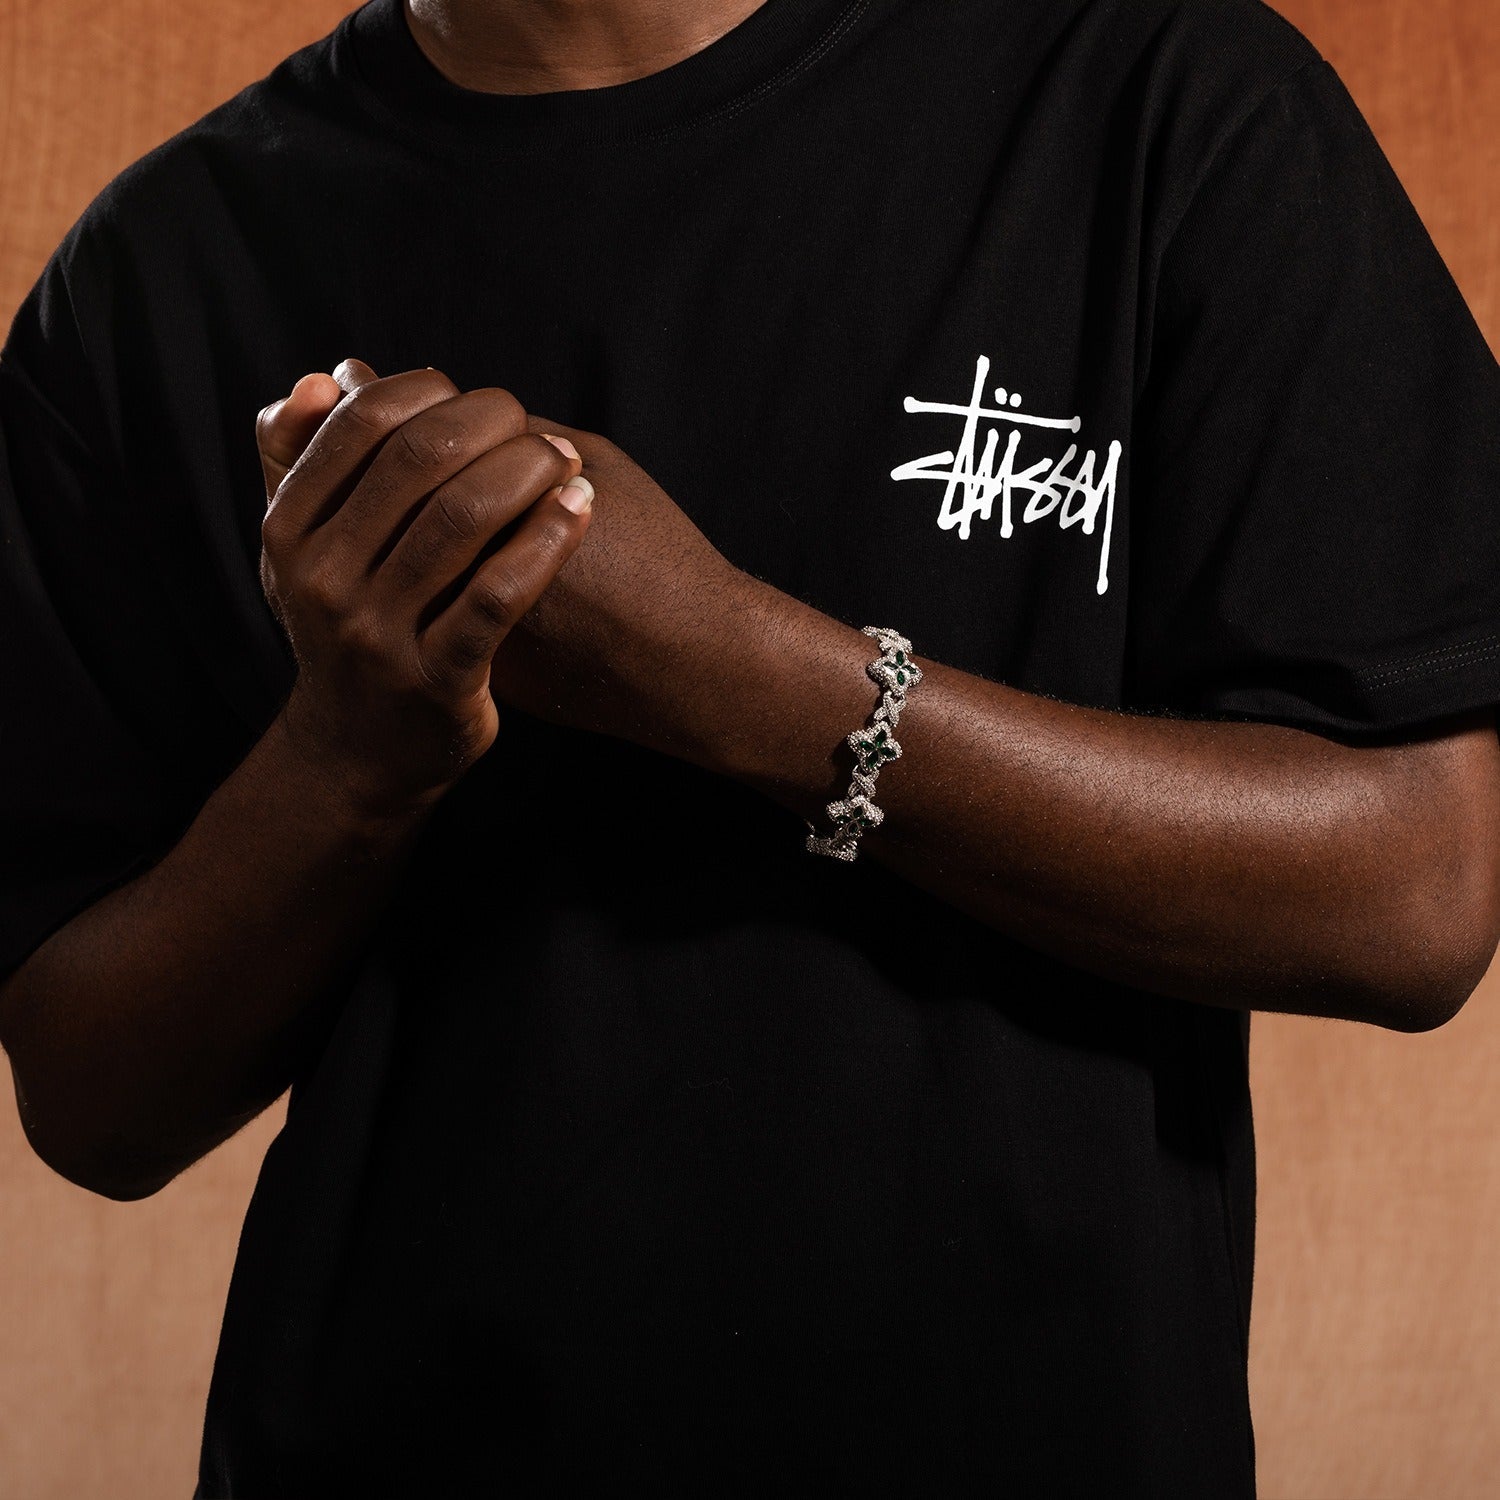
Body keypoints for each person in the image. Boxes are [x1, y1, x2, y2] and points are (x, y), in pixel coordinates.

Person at [1, 0, 1497, 1492]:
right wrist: (354, 751)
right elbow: (92, 1100)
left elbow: (1415, 888)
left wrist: (726, 669)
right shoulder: (162, 267)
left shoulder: (1161, 99)